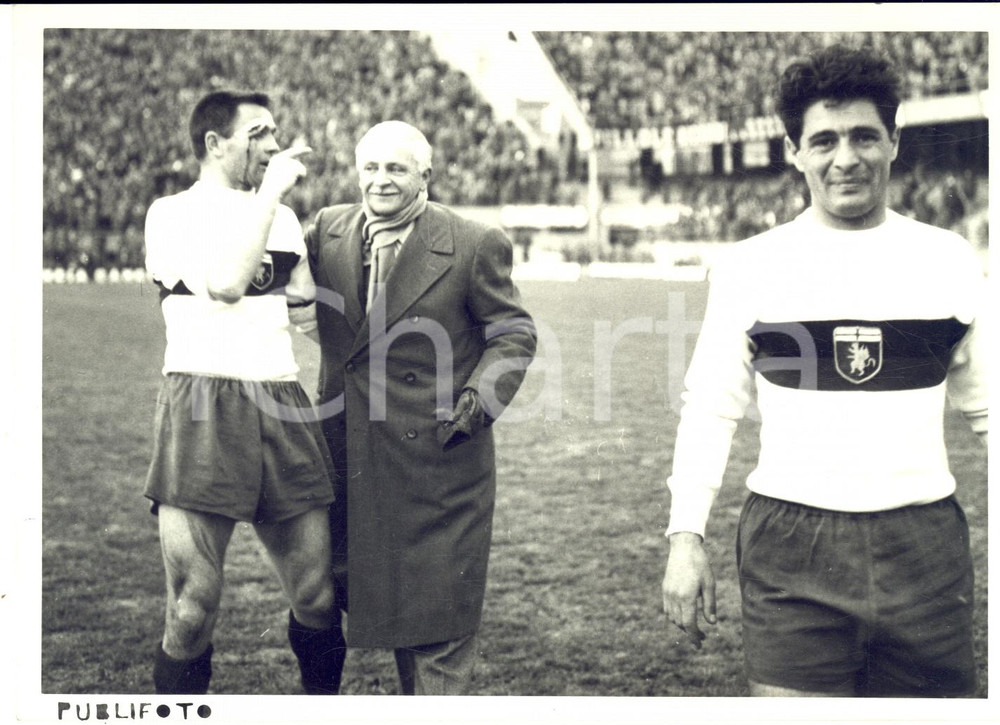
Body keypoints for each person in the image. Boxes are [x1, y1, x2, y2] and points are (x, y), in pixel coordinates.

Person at [661, 45, 988, 697]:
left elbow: (990, 409)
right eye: (824, 140)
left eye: (865, 136)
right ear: (794, 150)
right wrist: (685, 536)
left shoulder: (948, 259)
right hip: (792, 543)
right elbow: (712, 408)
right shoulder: (752, 265)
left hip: (921, 544)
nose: (846, 158)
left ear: (894, 141)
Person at [304, 120, 537, 695]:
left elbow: (513, 332)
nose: (380, 180)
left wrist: (477, 401)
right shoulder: (328, 230)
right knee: (338, 602)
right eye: (370, 167)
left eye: (396, 169)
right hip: (349, 461)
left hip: (438, 464)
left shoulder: (473, 242)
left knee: (436, 624)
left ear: (426, 175)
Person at [143, 90, 344, 695]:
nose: (275, 146)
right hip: (203, 403)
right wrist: (270, 195)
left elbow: (307, 314)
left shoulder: (280, 219)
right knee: (191, 608)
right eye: (259, 134)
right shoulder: (172, 213)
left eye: (276, 133)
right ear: (214, 143)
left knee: (317, 597)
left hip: (280, 398)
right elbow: (229, 281)